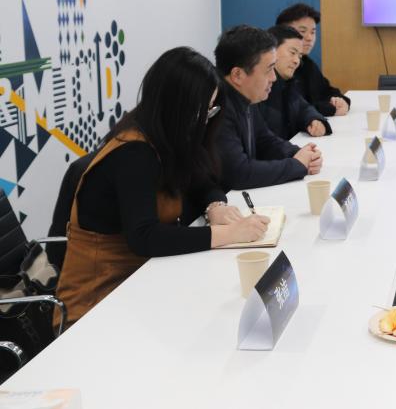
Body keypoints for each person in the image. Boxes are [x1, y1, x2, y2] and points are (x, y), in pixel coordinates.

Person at [55, 48, 270, 326]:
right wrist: (228, 233)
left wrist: (215, 206)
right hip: (97, 302)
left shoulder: (166, 138)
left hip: (142, 281)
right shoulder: (134, 152)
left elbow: (203, 183)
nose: (205, 118)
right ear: (176, 106)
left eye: (211, 109)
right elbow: (145, 237)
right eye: (202, 110)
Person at [214, 25, 322, 190]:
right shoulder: (218, 108)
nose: (274, 78)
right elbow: (239, 173)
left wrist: (299, 153)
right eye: (269, 69)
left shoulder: (246, 97)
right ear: (237, 75)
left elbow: (265, 140)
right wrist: (296, 165)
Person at [276, 3, 350, 117]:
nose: (309, 38)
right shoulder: (278, 67)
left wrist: (341, 101)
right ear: (283, 32)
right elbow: (296, 109)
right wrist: (331, 108)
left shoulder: (307, 63)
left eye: (313, 32)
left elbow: (327, 91)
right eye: (302, 31)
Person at [261, 25, 333, 140]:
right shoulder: (257, 88)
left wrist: (314, 120)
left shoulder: (287, 84)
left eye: (299, 56)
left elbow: (303, 108)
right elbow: (264, 141)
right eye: (292, 53)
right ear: (272, 51)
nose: (297, 61)